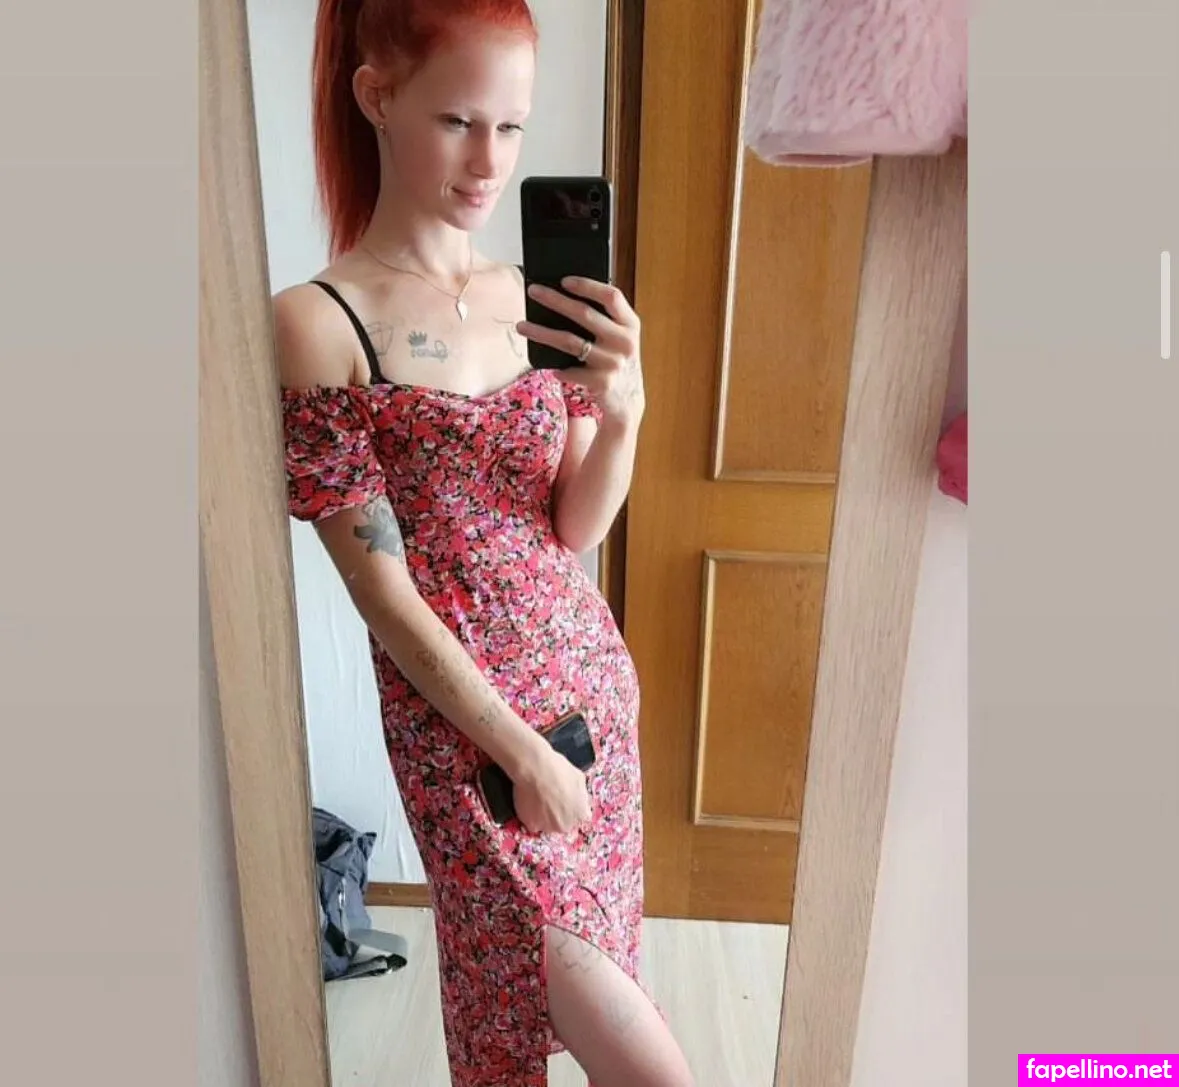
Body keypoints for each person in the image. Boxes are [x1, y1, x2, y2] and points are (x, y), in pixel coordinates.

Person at [273, 2, 695, 1085]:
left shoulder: (528, 298)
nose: (490, 161)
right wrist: (518, 752)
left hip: (590, 692)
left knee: (599, 989)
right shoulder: (319, 324)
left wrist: (625, 410)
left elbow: (574, 526)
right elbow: (382, 593)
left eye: (511, 127)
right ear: (377, 97)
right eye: (459, 121)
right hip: (470, 741)